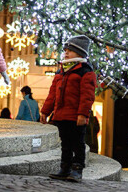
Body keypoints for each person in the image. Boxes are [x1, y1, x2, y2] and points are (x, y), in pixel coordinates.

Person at [41, 35, 97, 183]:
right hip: (61, 115)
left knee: (77, 143)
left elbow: (87, 96)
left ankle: (77, 169)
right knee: (65, 144)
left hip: (76, 117)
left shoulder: (85, 71)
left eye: (70, 51)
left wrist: (82, 114)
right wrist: (45, 111)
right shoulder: (61, 71)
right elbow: (53, 93)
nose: (66, 53)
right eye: (65, 50)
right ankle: (64, 168)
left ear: (80, 53)